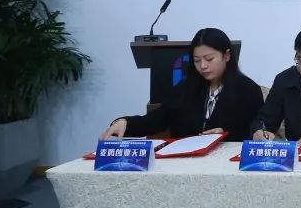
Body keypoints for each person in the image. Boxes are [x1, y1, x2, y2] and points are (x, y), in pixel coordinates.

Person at [100, 27, 263, 142]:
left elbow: (255, 133)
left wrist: (225, 134)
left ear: (226, 56)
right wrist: (125, 123)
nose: (203, 66)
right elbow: (157, 120)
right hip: (185, 163)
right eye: (197, 60)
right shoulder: (187, 88)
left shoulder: (248, 90)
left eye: (209, 59)